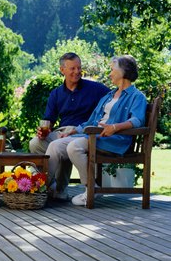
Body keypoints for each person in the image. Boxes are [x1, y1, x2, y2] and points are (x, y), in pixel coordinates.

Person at [45, 55, 147, 206]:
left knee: (74, 146)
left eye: (112, 70)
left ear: (123, 72)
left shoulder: (137, 96)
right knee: (55, 145)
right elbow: (91, 121)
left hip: (113, 139)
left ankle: (91, 188)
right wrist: (74, 130)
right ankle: (39, 187)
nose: (109, 74)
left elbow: (137, 120)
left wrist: (114, 127)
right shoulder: (108, 95)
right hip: (95, 135)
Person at [29, 52, 109, 200]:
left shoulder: (95, 89)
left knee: (60, 145)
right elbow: (49, 119)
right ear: (62, 70)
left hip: (82, 131)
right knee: (34, 143)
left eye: (79, 68)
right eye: (72, 68)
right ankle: (49, 183)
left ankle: (48, 188)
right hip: (61, 131)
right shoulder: (56, 93)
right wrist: (43, 131)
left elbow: (114, 99)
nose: (77, 72)